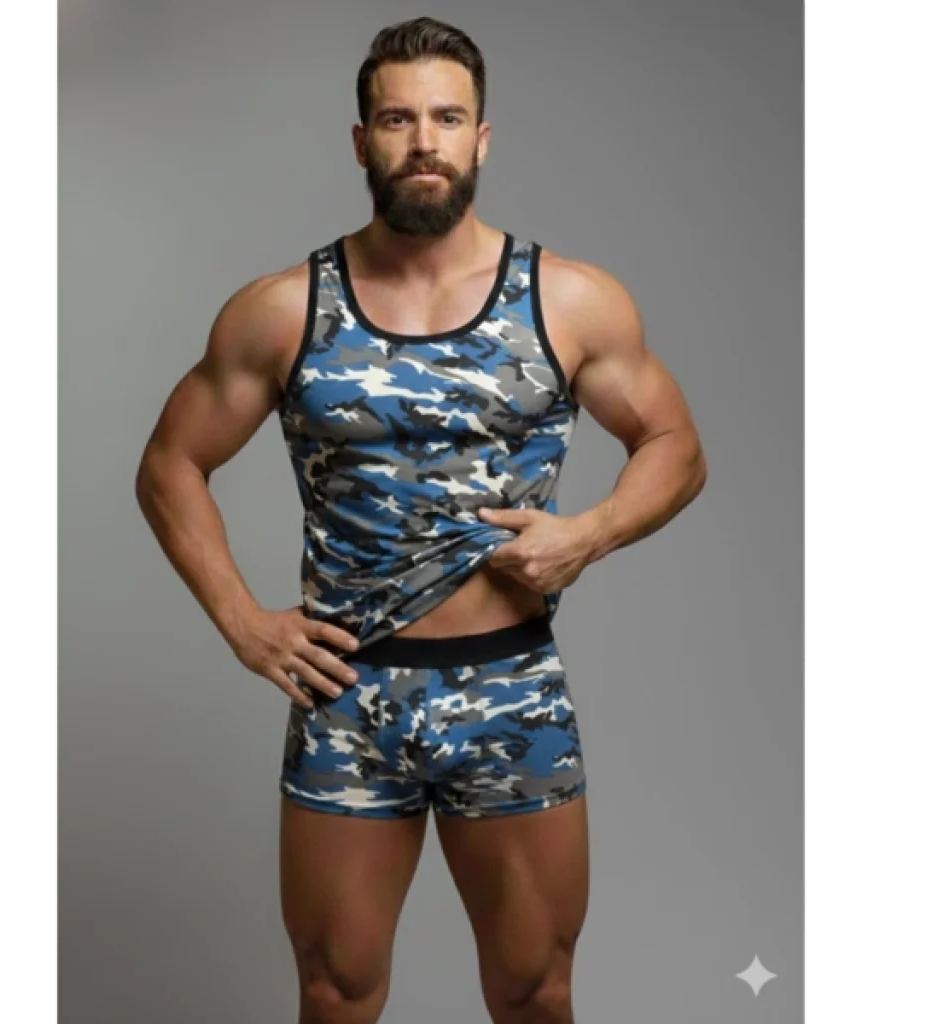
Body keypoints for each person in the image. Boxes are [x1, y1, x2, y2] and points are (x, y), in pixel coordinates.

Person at [135, 16, 706, 1024]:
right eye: (398, 120)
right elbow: (170, 464)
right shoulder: (284, 310)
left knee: (535, 993)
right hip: (347, 697)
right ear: (363, 141)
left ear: (481, 138)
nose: (424, 141)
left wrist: (588, 533)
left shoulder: (568, 301)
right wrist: (241, 621)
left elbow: (675, 445)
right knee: (335, 993)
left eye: (446, 118)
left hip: (510, 687)